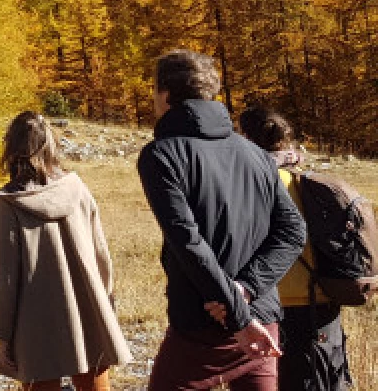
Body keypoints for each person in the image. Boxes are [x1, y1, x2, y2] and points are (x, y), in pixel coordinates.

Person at [138, 50, 306, 391]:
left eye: (154, 90)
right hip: (261, 316)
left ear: (166, 94)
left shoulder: (162, 154)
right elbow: (293, 232)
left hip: (208, 325)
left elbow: (188, 242)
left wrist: (237, 312)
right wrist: (246, 291)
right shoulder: (256, 154)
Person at [0, 111, 132, 391]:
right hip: (86, 303)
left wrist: (3, 336)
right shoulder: (77, 188)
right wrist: (105, 303)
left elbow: (6, 278)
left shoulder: (8, 203)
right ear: (50, 145)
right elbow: (101, 253)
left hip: (34, 319)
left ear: (10, 148)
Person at [239, 106, 353, 391]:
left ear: (246, 138)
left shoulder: (258, 183)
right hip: (324, 296)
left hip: (280, 301)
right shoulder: (304, 181)